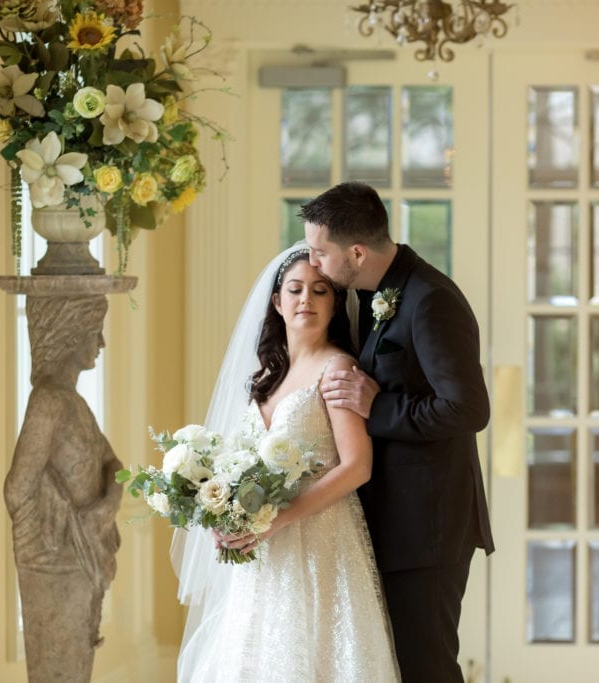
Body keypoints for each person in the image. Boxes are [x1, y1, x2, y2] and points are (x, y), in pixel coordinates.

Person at [173, 244, 399, 682]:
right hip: (265, 550)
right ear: (277, 302)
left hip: (321, 540)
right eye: (295, 290)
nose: (305, 300)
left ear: (335, 305)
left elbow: (357, 466)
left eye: (319, 291)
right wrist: (229, 512)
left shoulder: (337, 369)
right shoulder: (265, 375)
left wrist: (282, 516)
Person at [304, 181, 496, 683]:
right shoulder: (374, 293)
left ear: (357, 251)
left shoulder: (431, 300)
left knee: (427, 668)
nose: (314, 263)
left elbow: (467, 409)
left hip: (428, 529)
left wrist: (377, 406)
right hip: (394, 524)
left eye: (320, 252)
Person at [5, 296, 123, 681]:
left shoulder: (75, 402)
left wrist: (105, 508)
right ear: (71, 332)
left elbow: (113, 465)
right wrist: (54, 537)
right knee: (59, 668)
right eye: (95, 332)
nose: (101, 343)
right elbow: (17, 489)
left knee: (78, 662)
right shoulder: (49, 400)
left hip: (83, 550)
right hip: (53, 559)